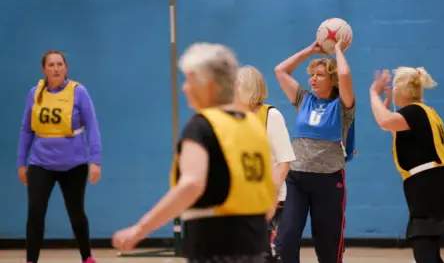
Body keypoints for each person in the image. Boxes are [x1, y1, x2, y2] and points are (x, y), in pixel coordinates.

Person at [112, 42, 277, 263]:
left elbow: (192, 184)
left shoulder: (202, 126)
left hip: (214, 248)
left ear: (207, 85)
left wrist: (141, 228)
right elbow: (269, 191)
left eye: (189, 80)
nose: (184, 88)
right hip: (255, 247)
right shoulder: (253, 125)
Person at [369, 68, 444, 263]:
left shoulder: (414, 111)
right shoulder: (424, 113)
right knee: (427, 253)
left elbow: (385, 119)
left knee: (424, 252)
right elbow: (388, 125)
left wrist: (373, 93)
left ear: (402, 89)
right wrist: (386, 102)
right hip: (436, 186)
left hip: (431, 189)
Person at [273, 34, 355, 263]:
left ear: (333, 79)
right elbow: (280, 70)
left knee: (327, 243)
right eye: (312, 75)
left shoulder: (343, 106)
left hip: (328, 181)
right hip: (296, 179)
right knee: (286, 238)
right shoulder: (304, 100)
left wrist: (338, 49)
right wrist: (311, 50)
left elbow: (346, 74)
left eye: (319, 75)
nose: (313, 80)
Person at [17, 50, 102, 263]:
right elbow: (26, 129)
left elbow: (92, 125)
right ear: (44, 69)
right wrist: (21, 162)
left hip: (74, 163)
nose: (56, 68)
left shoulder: (78, 92)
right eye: (51, 65)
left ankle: (87, 257)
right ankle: (31, 260)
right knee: (35, 211)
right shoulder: (34, 93)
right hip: (41, 162)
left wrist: (96, 160)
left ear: (66, 67)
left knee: (76, 212)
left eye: (60, 64)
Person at [235, 65, 296, 263]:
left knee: (266, 254)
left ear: (249, 88)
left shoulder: (271, 115)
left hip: (270, 200)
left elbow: (284, 161)